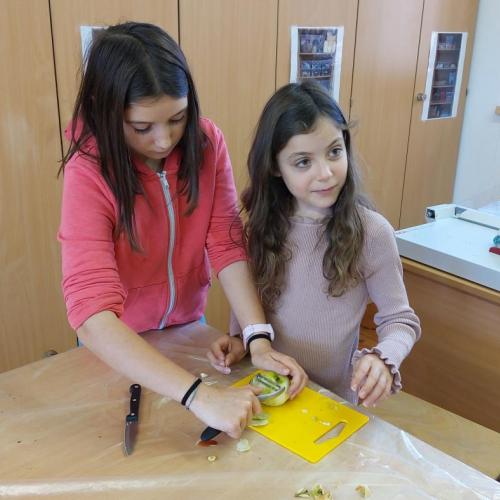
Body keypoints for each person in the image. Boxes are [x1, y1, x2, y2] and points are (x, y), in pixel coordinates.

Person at [58, 22, 307, 439]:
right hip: (117, 342)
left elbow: (225, 242)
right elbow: (91, 315)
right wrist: (198, 395)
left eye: (177, 118)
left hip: (186, 325)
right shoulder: (89, 168)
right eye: (142, 127)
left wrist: (258, 338)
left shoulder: (206, 143)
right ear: (106, 110)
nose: (164, 140)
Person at [208, 80, 421, 407]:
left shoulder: (372, 233)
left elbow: (400, 321)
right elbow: (249, 301)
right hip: (270, 392)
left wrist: (383, 357)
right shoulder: (259, 227)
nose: (326, 173)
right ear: (274, 166)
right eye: (303, 162)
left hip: (331, 402)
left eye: (334, 152)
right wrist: (240, 340)